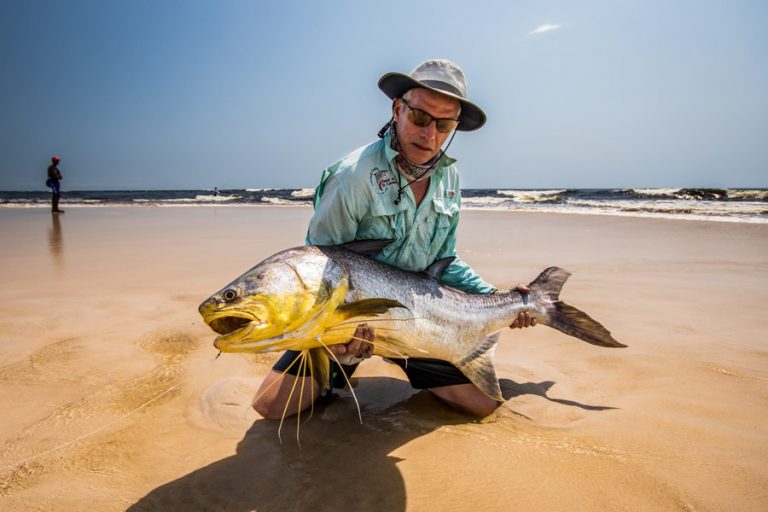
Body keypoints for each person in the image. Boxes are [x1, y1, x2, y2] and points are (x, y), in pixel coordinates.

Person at [253, 59, 534, 419]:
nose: (429, 135)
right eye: (420, 117)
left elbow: (445, 257)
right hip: (349, 322)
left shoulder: (450, 178)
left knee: (482, 406)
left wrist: (499, 298)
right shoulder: (351, 178)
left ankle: (403, 364)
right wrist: (340, 340)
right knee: (272, 408)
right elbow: (320, 267)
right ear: (398, 109)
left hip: (420, 319)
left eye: (444, 124)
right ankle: (337, 374)